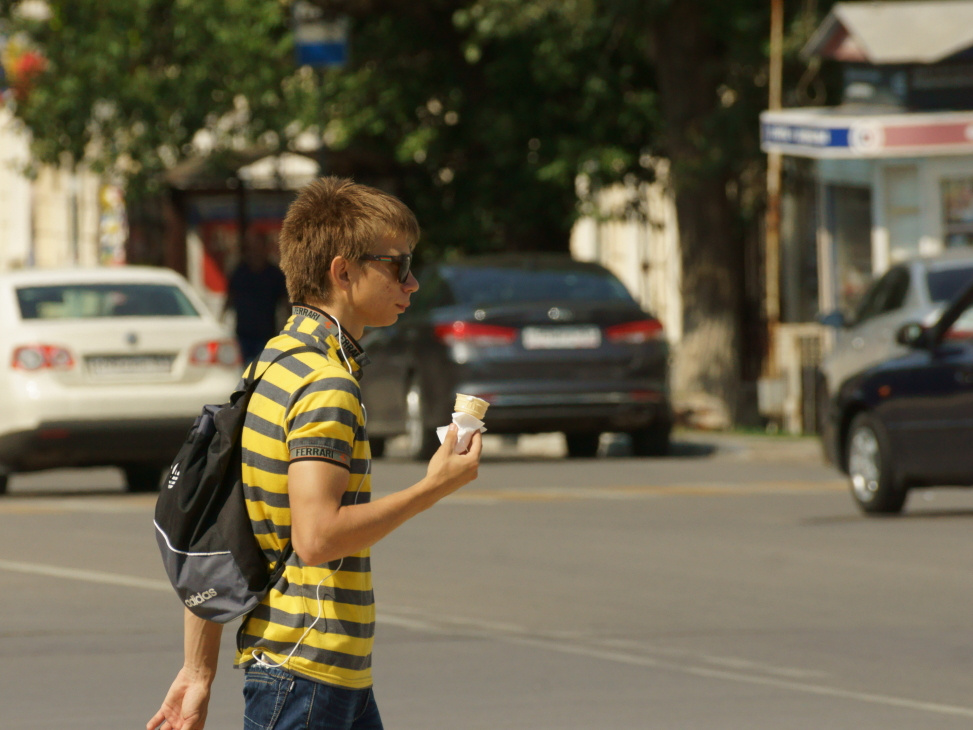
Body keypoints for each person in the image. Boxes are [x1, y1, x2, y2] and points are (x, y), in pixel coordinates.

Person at [148, 177, 483, 730]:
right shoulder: (326, 384)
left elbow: (218, 518)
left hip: (318, 674)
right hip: (307, 674)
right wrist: (433, 487)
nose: (413, 281)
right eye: (398, 265)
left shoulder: (272, 362)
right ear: (342, 272)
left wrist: (197, 669)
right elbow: (318, 537)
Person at [222, 230, 289, 365]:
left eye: (258, 247)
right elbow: (230, 297)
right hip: (242, 334)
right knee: (242, 371)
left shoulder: (274, 274)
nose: (255, 252)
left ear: (266, 249)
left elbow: (285, 303)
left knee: (262, 370)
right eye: (252, 248)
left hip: (265, 335)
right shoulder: (240, 272)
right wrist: (222, 319)